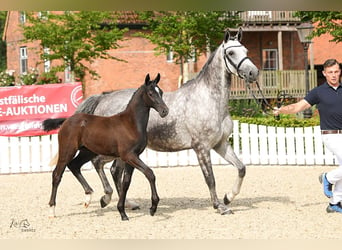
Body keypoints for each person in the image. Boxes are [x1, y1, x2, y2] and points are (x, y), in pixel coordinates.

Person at [273, 58, 342, 213]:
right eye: (330, 72)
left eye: (336, 72)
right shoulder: (318, 92)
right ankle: (327, 178)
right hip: (331, 135)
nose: (333, 75)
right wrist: (281, 109)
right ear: (324, 73)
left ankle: (334, 203)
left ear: (340, 72)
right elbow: (298, 106)